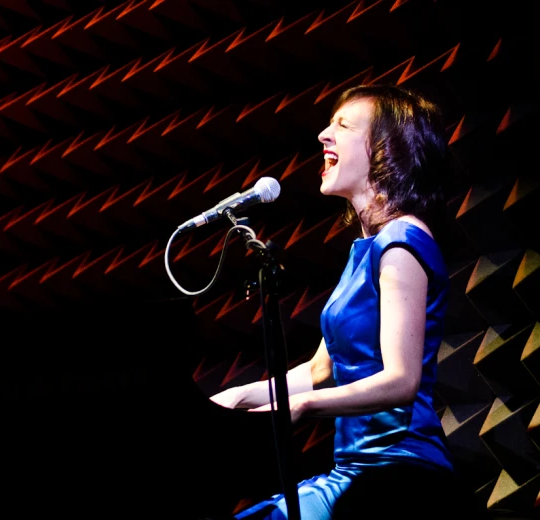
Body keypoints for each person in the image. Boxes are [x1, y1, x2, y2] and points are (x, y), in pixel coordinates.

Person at [208, 84, 487, 519]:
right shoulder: (366, 248)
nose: (323, 134)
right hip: (353, 472)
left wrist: (301, 406)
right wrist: (239, 396)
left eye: (342, 125)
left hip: (400, 475)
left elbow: (401, 380)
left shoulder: (402, 240)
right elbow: (322, 370)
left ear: (384, 148)